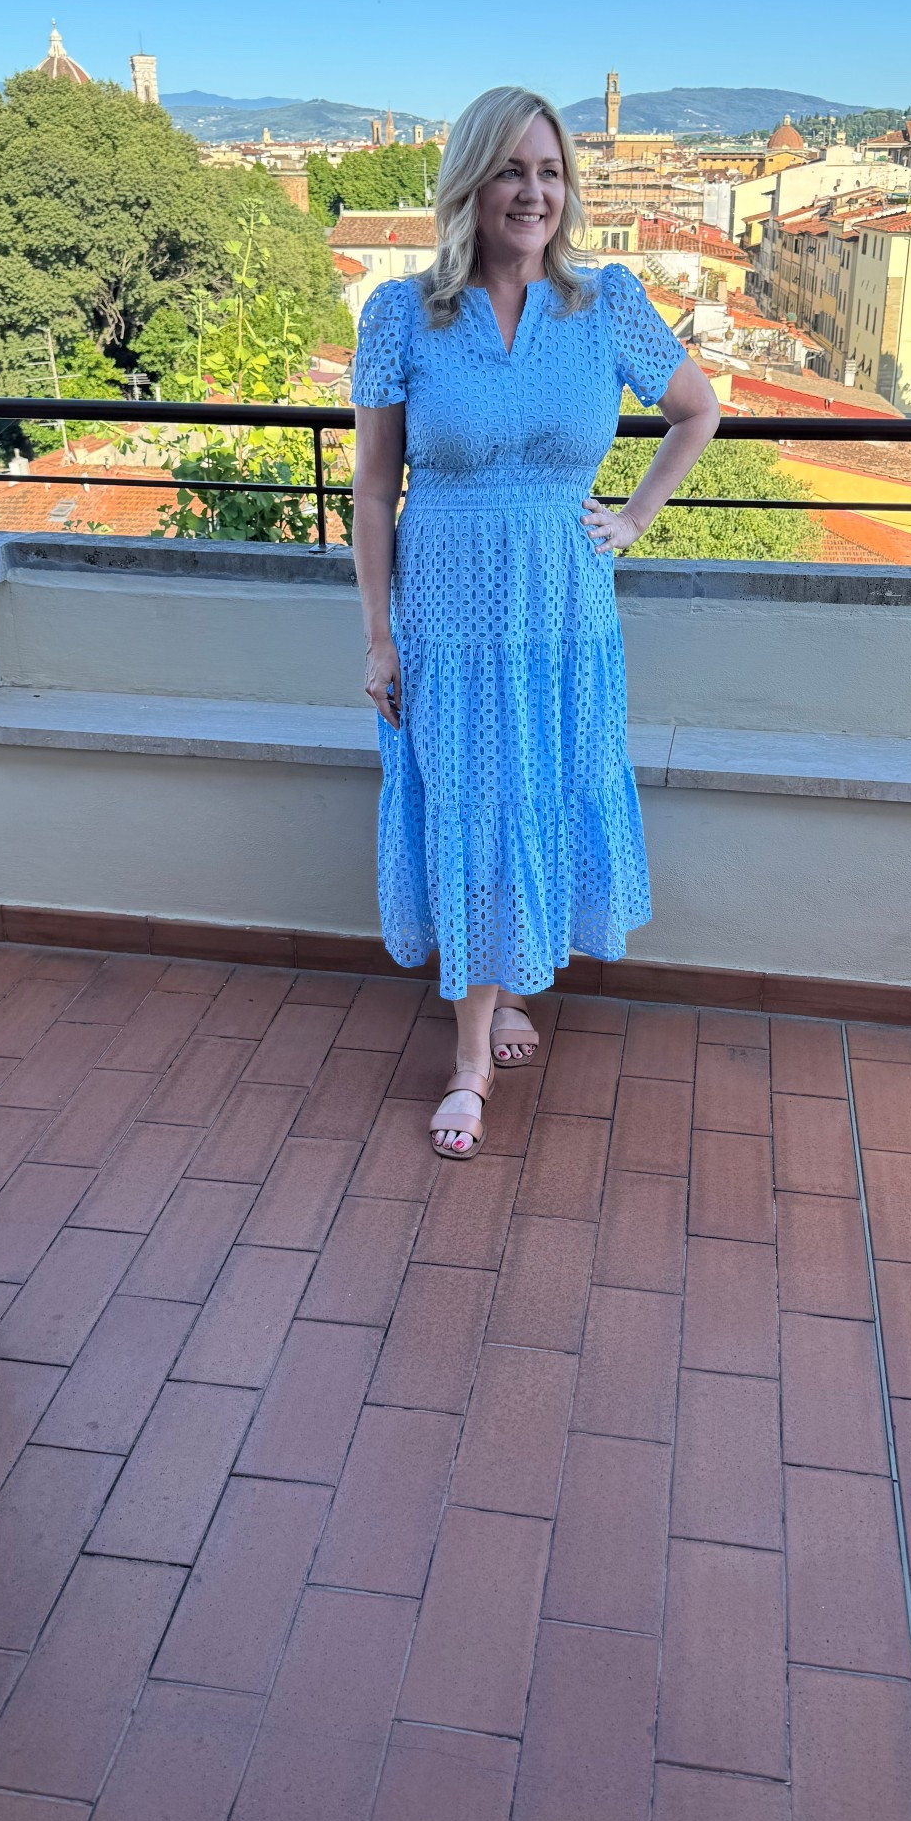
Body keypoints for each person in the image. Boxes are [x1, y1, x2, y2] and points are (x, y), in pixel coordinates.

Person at [350, 86, 719, 1156]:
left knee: (536, 789)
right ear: (471, 181)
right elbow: (375, 490)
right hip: (447, 615)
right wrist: (378, 633)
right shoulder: (400, 314)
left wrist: (638, 514)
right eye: (512, 170)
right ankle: (470, 1053)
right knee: (468, 795)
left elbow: (697, 410)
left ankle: (503, 989)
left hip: (561, 610)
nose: (534, 192)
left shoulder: (605, 303)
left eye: (551, 172)